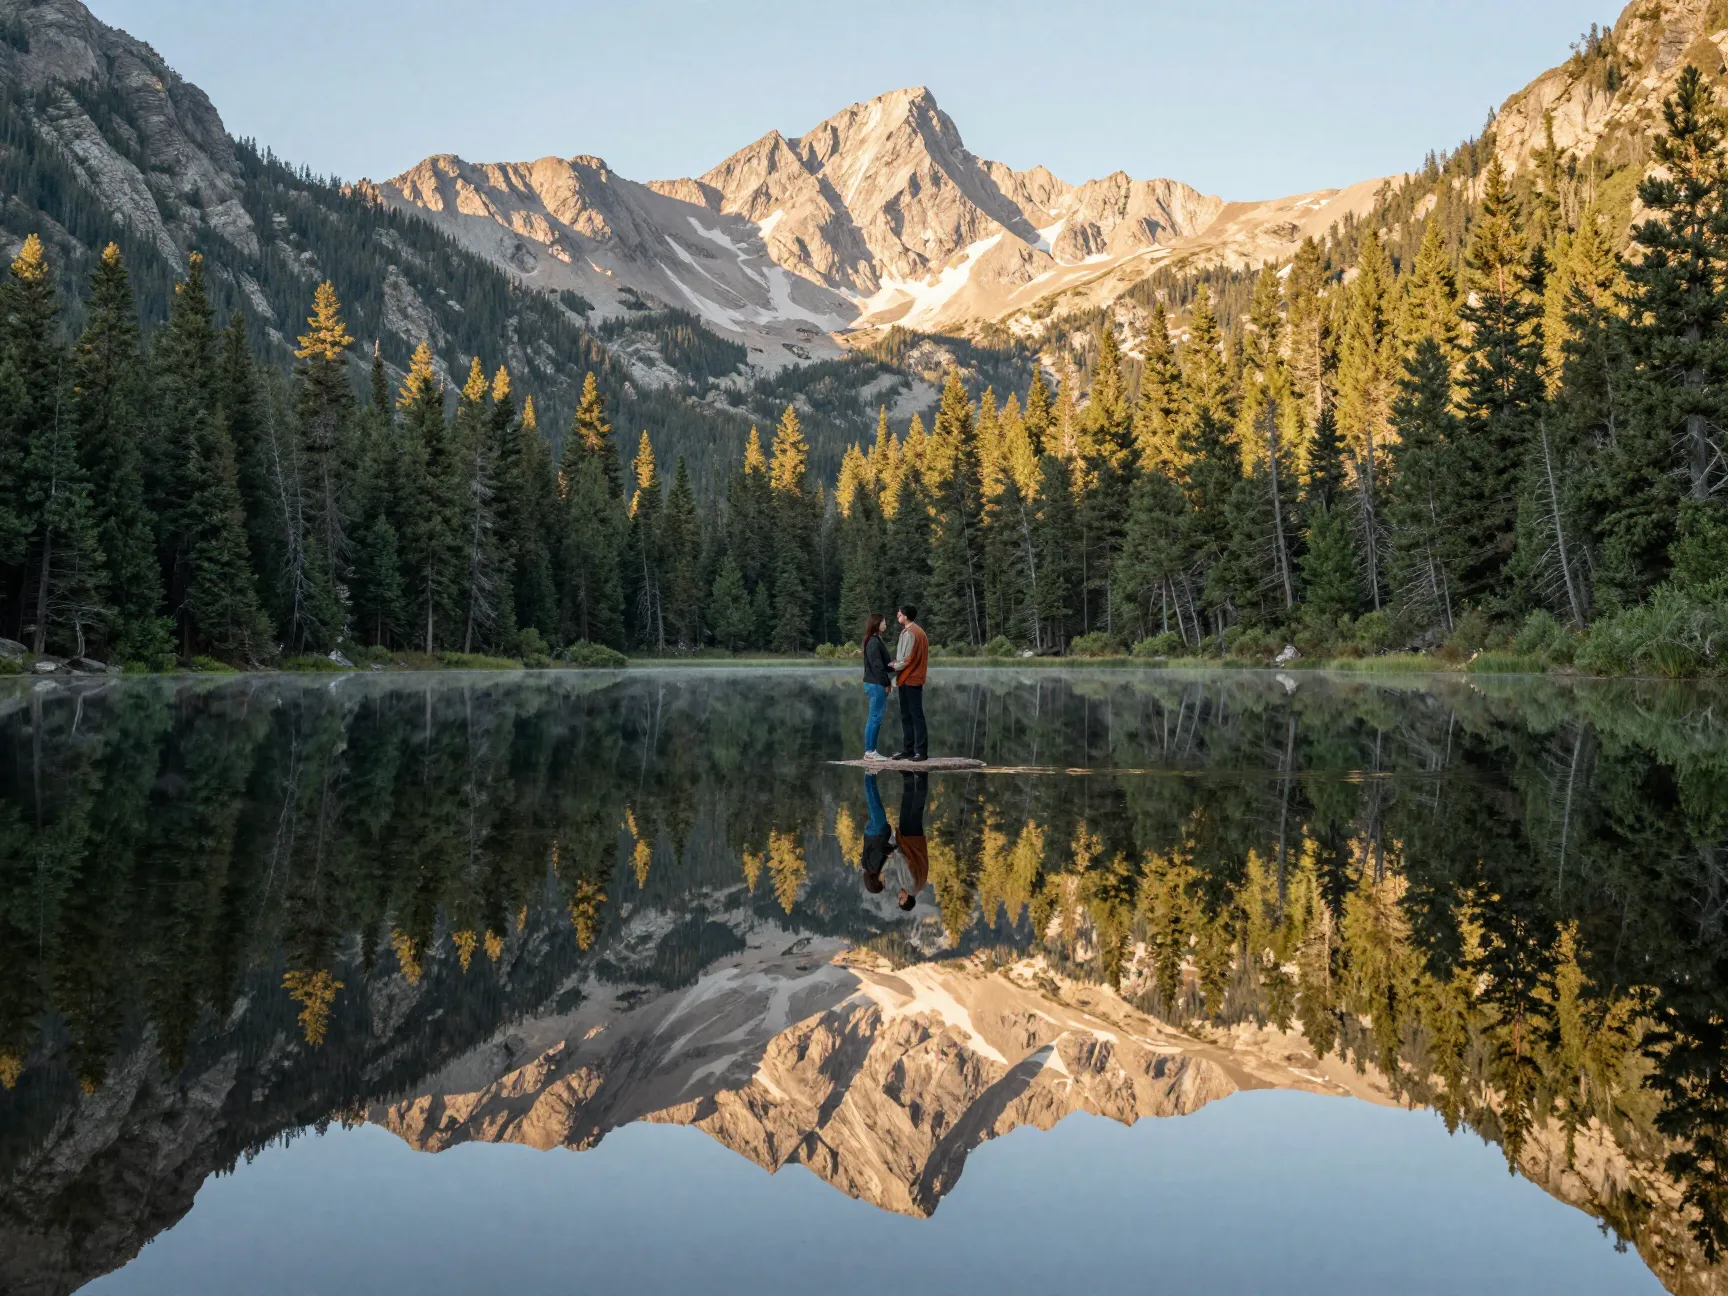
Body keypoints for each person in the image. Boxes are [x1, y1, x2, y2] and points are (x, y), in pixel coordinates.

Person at [888, 605, 928, 762]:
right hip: (906, 679)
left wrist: (893, 666)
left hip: (911, 679)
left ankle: (920, 751)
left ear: (905, 616)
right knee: (907, 716)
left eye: (899, 613)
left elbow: (908, 659)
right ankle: (909, 750)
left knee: (915, 717)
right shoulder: (916, 631)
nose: (897, 614)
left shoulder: (912, 633)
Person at [861, 613, 892, 761]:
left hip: (875, 683)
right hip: (876, 684)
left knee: (875, 717)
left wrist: (894, 667)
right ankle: (870, 751)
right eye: (884, 622)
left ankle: (871, 750)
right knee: (875, 717)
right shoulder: (873, 642)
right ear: (876, 624)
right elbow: (877, 666)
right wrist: (886, 683)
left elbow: (883, 664)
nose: (885, 624)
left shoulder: (875, 640)